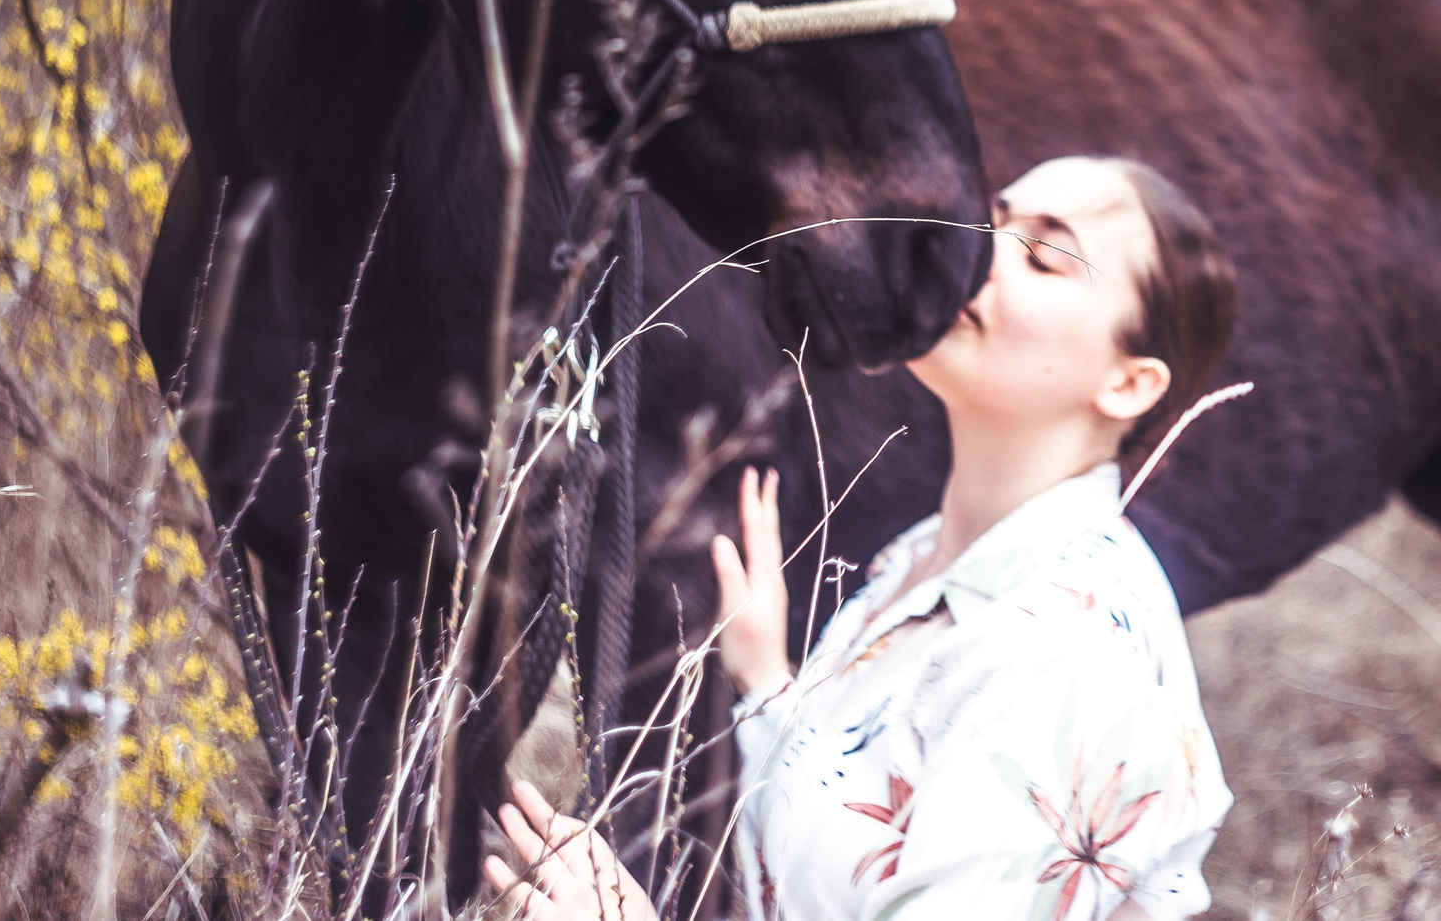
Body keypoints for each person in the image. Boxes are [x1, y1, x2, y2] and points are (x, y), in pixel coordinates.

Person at [485, 155, 1240, 921]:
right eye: (995, 221)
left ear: (1129, 383)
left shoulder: (1074, 657)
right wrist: (770, 682)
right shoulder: (923, 558)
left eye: (1043, 255)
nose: (978, 249)